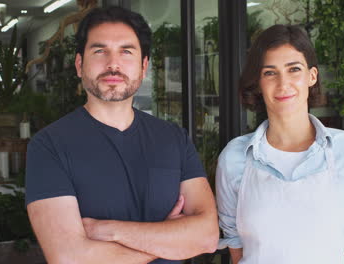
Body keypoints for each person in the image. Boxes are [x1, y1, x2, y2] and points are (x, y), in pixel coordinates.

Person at [25, 6, 218, 264]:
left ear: (144, 66)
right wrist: (171, 242)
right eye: (99, 51)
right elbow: (69, 258)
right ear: (80, 65)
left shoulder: (174, 139)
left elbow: (206, 236)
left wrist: (109, 230)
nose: (113, 64)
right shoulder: (49, 146)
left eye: (126, 51)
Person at [215, 24, 344, 264]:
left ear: (312, 76)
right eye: (270, 72)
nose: (283, 84)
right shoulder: (234, 158)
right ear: (258, 82)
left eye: (294, 69)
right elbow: (235, 244)